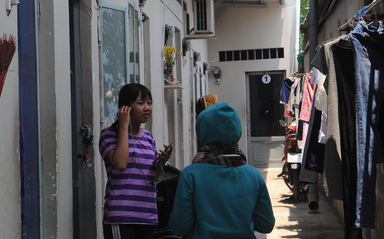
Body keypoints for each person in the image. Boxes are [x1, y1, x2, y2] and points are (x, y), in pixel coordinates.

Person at [169, 102, 275, 238]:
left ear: (202, 132)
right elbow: (266, 224)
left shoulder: (191, 174)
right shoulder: (253, 174)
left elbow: (180, 226)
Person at [99, 83, 174, 239]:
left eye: (149, 102)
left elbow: (154, 178)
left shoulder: (148, 138)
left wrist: (161, 162)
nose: (147, 108)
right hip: (121, 216)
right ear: (126, 108)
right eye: (140, 103)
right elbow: (120, 164)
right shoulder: (109, 135)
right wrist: (124, 126)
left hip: (147, 215)